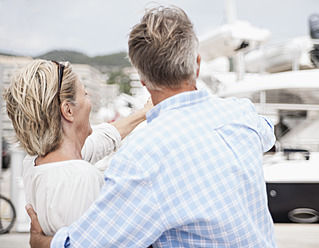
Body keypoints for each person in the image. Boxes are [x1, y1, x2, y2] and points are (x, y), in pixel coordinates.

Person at [26, 5, 277, 247]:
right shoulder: (242, 115)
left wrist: (41, 243)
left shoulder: (142, 157)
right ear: (197, 64)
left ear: (142, 79)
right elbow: (268, 132)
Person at [4, 59, 152, 235]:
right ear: (68, 110)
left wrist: (144, 112)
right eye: (85, 94)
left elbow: (103, 137)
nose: (90, 101)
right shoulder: (82, 178)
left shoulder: (35, 162)